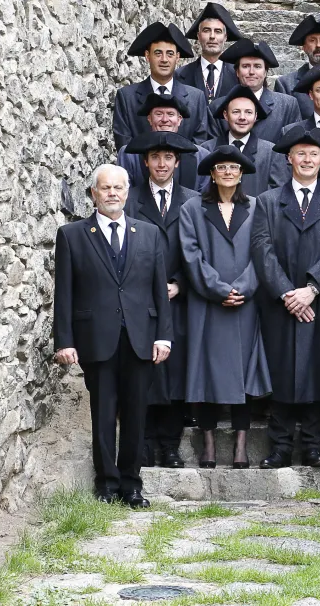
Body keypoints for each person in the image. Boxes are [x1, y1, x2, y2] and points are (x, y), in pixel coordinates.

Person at [53, 164, 171, 507]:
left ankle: (132, 485)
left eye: (119, 188)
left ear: (127, 191)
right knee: (103, 413)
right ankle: (106, 485)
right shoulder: (72, 235)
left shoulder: (148, 234)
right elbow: (64, 293)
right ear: (93, 193)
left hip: (140, 337)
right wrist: (64, 340)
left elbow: (158, 292)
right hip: (96, 338)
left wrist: (163, 336)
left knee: (136, 414)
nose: (113, 194)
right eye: (105, 188)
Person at [251, 126, 320, 468]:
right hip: (280, 302)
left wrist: (311, 289)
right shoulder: (268, 201)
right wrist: (286, 293)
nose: (307, 159)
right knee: (282, 371)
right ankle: (279, 446)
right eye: (301, 153)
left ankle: (313, 445)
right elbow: (262, 250)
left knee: (318, 369)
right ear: (289, 159)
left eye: (313, 154)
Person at [179, 145, 271, 469]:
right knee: (206, 371)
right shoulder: (192, 209)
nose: (228, 172)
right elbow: (191, 255)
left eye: (234, 167)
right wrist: (219, 289)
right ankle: (207, 442)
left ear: (242, 173)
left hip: (245, 304)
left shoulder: (258, 207)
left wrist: (243, 288)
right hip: (208, 303)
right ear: (212, 174)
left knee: (243, 373)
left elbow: (262, 251)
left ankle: (241, 443)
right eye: (222, 168)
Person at [122, 132, 200, 470]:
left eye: (168, 158)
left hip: (178, 301)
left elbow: (200, 251)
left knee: (175, 374)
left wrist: (180, 284)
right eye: (155, 157)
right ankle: (142, 445)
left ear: (178, 162)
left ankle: (170, 445)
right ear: (145, 161)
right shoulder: (129, 201)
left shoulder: (193, 201)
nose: (162, 163)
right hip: (140, 301)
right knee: (143, 372)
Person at [112, 22, 214, 148]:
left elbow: (200, 145)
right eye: (158, 53)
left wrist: (175, 165)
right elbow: (124, 146)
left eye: (170, 54)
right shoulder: (127, 97)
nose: (164, 59)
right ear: (147, 56)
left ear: (177, 58)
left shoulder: (196, 98)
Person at [199, 84, 291, 197]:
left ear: (255, 116)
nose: (242, 117)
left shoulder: (271, 153)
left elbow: (276, 195)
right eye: (236, 112)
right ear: (225, 115)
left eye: (248, 112)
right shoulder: (206, 150)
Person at [215, 39, 302, 143]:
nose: (251, 72)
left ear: (265, 72)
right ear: (237, 72)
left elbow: (294, 146)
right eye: (246, 66)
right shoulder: (218, 107)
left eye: (257, 66)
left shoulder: (287, 105)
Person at [117, 93, 202, 191]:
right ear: (149, 119)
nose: (165, 120)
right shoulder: (129, 154)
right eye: (159, 114)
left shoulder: (200, 155)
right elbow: (124, 193)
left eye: (170, 114)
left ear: (179, 120)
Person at [177, 2, 243, 103]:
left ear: (225, 37)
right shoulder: (180, 75)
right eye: (207, 30)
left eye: (218, 31)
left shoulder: (239, 75)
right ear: (198, 36)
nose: (212, 36)